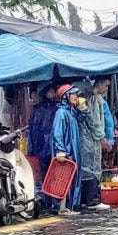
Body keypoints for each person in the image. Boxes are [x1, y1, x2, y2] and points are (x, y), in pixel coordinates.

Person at [48, 84, 83, 213]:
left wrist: (83, 109)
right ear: (66, 96)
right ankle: (61, 207)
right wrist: (60, 150)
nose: (76, 97)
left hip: (74, 152)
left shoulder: (71, 111)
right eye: (73, 94)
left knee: (73, 179)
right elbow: (57, 133)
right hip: (66, 152)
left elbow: (82, 119)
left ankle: (71, 206)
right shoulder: (61, 113)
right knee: (63, 180)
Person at [72, 84, 107, 211]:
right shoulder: (92, 99)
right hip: (89, 138)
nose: (107, 89)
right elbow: (94, 121)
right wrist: (101, 137)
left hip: (87, 138)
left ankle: (85, 200)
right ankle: (92, 200)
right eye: (106, 85)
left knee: (87, 167)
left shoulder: (94, 98)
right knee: (91, 166)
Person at [27, 82, 58, 184]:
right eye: (51, 90)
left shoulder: (37, 109)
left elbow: (32, 130)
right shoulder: (54, 109)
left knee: (45, 174)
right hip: (48, 146)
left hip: (41, 147)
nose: (54, 93)